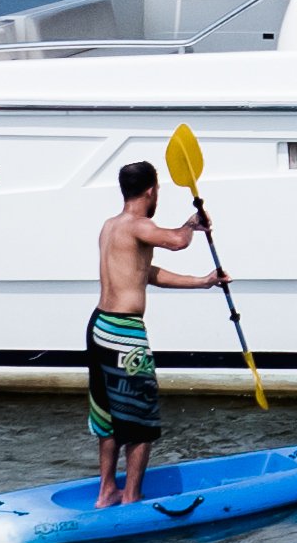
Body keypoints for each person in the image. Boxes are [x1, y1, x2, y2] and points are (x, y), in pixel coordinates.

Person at [83, 160, 228, 508]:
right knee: (141, 418)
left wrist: (203, 282)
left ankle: (106, 491)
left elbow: (147, 273)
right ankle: (131, 497)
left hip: (99, 326)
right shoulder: (138, 225)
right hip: (124, 332)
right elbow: (178, 242)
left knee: (107, 417)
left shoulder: (110, 227)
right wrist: (192, 224)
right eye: (158, 189)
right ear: (150, 190)